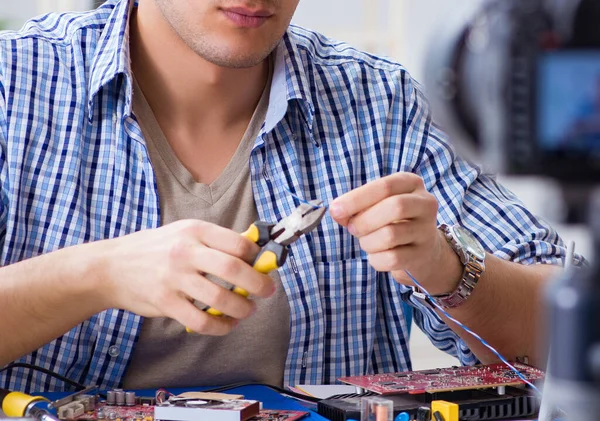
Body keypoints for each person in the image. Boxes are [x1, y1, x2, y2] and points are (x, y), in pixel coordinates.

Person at [0, 0, 580, 393]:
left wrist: (448, 268)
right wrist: (97, 274)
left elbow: (575, 328)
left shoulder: (379, 102)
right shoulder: (15, 83)